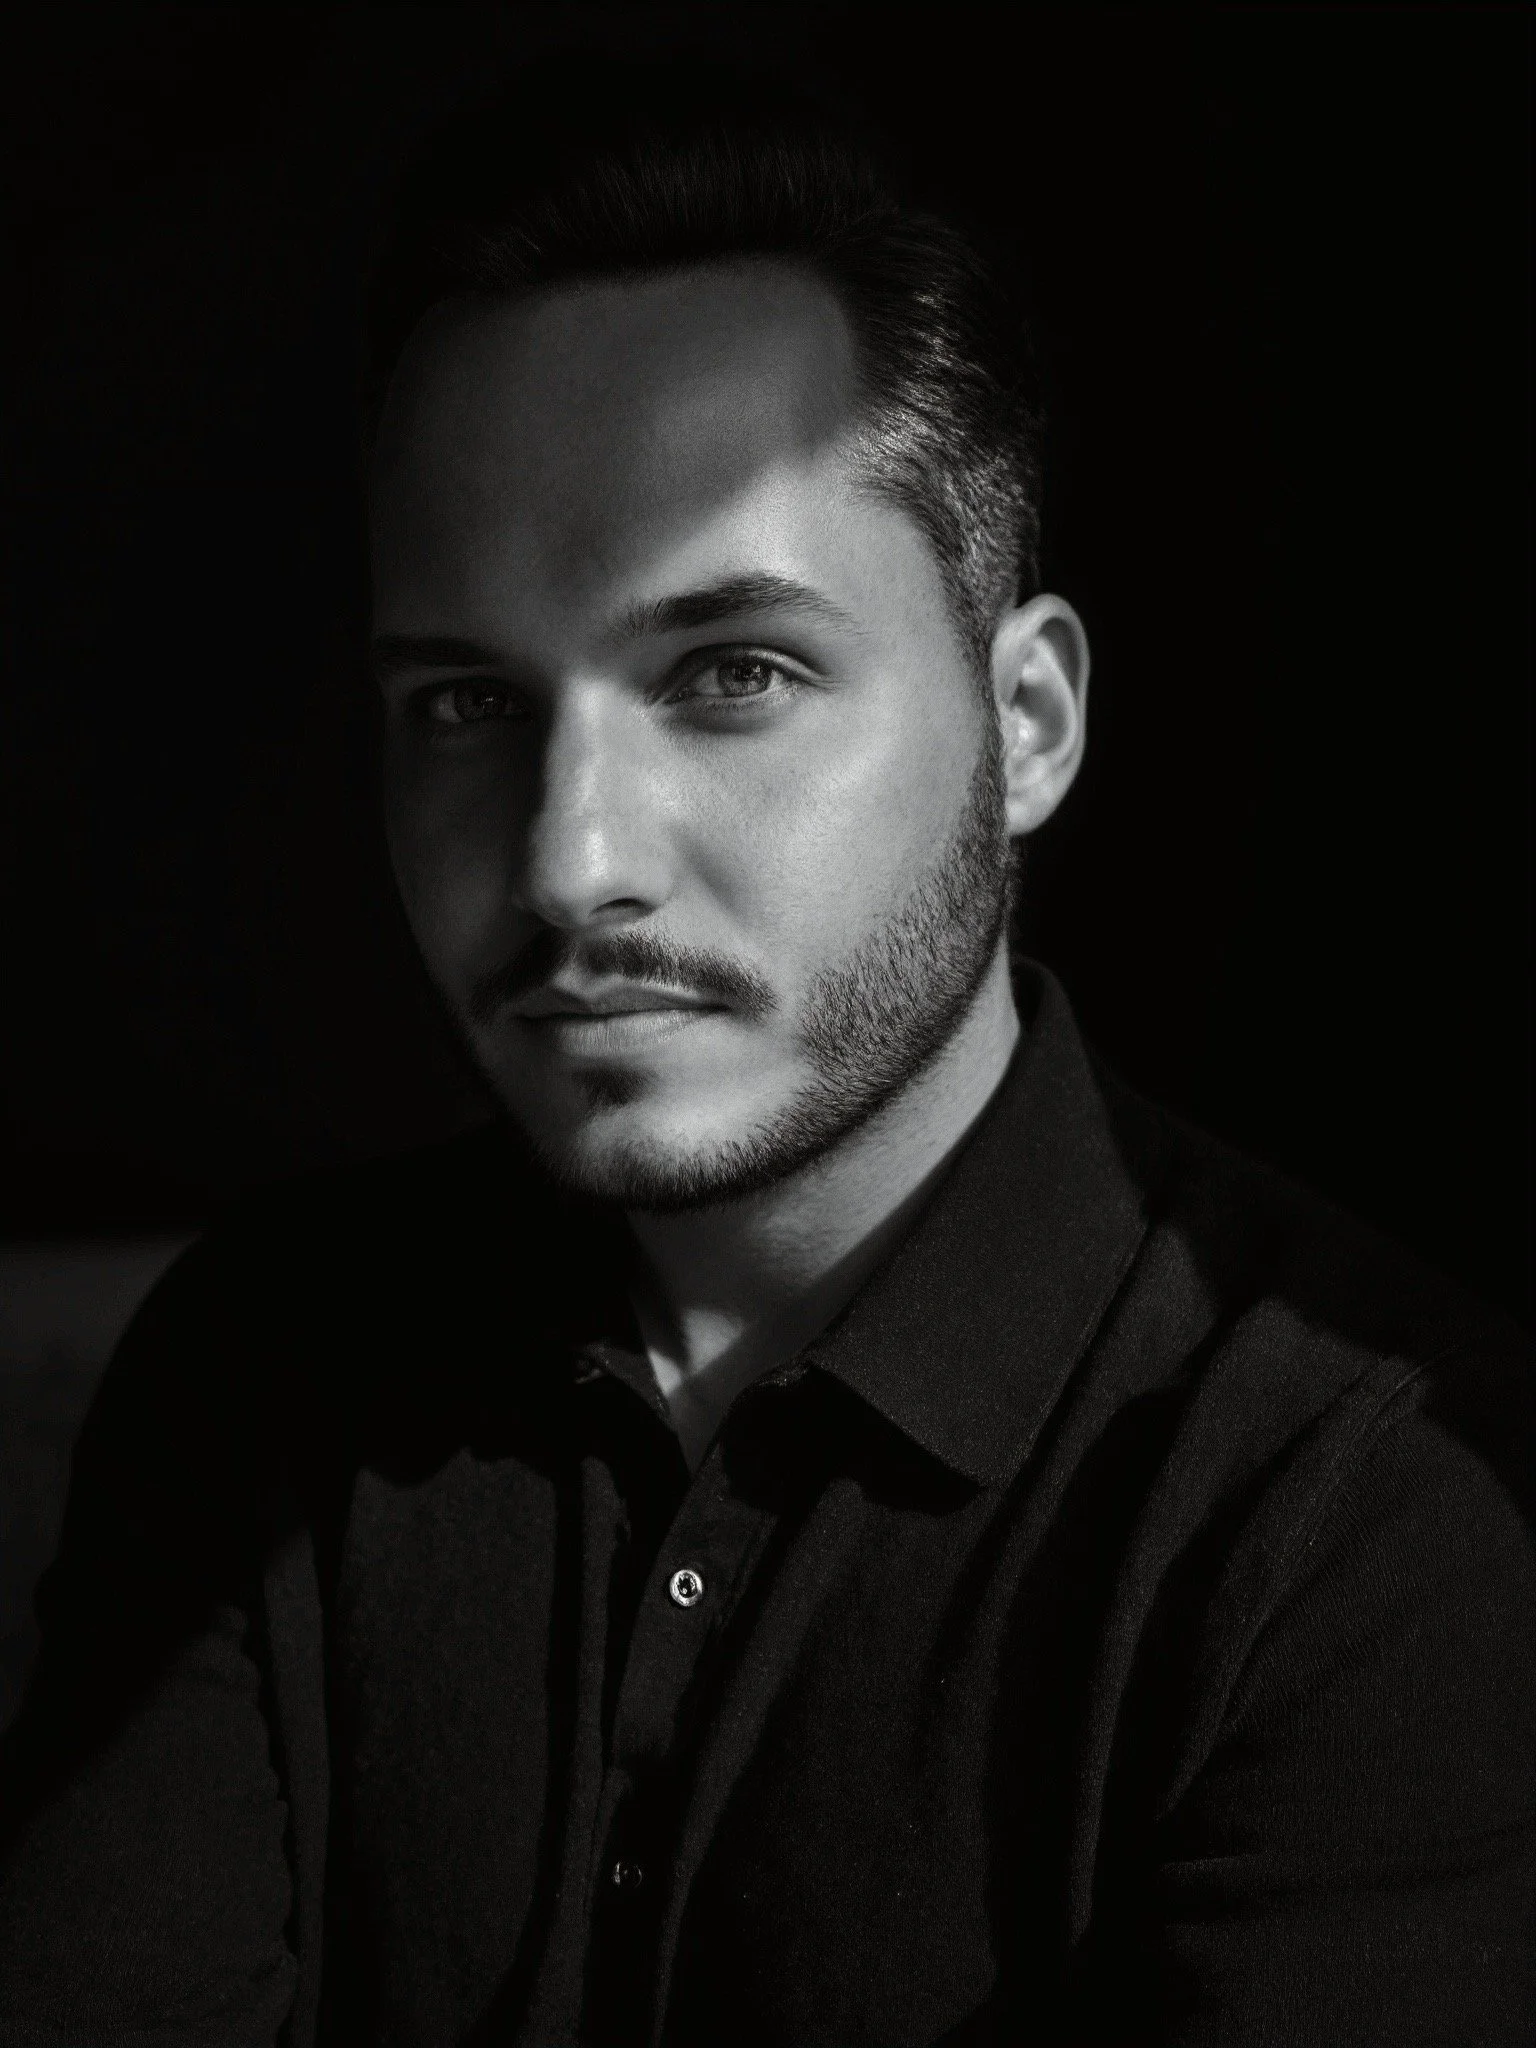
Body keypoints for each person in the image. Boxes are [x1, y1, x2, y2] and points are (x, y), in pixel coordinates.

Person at [1, 67, 1532, 2048]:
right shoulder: (264, 1369)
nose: (570, 859)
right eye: (466, 701)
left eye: (733, 674)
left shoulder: (1373, 1526)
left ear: (1033, 718)